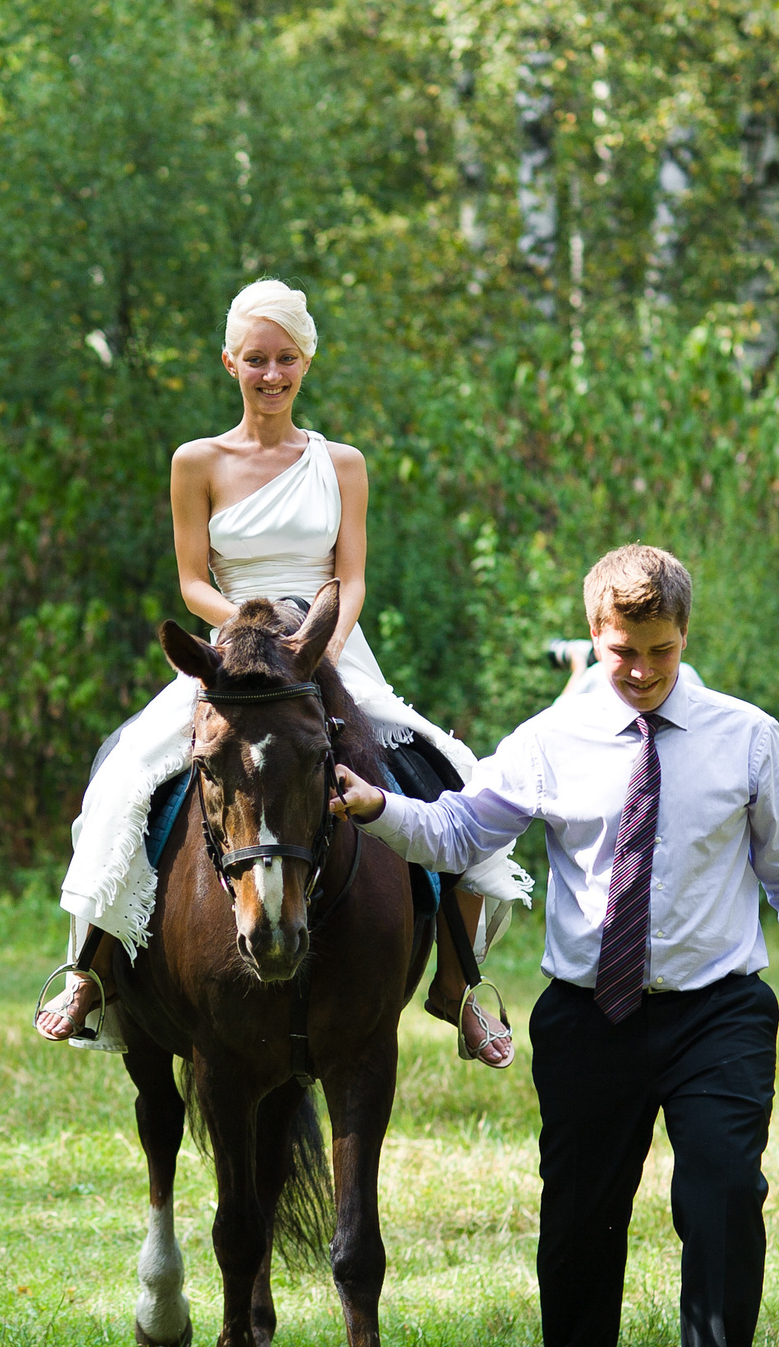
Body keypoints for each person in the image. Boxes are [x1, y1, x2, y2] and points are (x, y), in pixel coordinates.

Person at [330, 545, 779, 1347]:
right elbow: (461, 830)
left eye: (662, 651)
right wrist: (381, 806)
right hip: (591, 1014)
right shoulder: (550, 740)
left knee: (723, 1198)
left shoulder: (748, 738)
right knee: (581, 1213)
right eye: (625, 651)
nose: (644, 671)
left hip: (718, 1011)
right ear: (595, 633)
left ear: (685, 635)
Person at [36, 279, 531, 1058]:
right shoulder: (196, 461)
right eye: (257, 359)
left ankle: (457, 982)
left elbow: (352, 575)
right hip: (234, 655)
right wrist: (249, 636)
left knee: (452, 771)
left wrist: (322, 643)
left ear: (307, 362)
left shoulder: (343, 463)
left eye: (287, 358)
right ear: (229, 362)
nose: (272, 374)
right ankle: (91, 969)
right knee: (126, 777)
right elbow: (192, 581)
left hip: (328, 646)